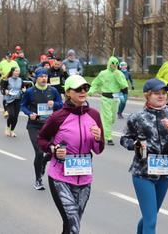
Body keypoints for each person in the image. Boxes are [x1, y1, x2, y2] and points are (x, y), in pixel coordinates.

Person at [37, 75, 104, 234]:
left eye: (85, 88)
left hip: (84, 179)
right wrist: (53, 149)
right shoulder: (59, 116)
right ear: (68, 92)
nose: (83, 92)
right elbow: (42, 138)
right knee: (73, 222)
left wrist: (97, 137)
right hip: (61, 178)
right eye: (78, 89)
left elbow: (98, 149)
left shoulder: (94, 115)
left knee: (71, 225)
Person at [120, 78, 168, 234]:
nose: (161, 96)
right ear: (147, 95)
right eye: (156, 93)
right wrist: (136, 145)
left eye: (164, 93)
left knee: (149, 217)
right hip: (143, 173)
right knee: (151, 221)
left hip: (165, 172)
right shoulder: (137, 117)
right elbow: (125, 138)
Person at [21, 68, 63, 190]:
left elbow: (61, 104)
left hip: (50, 125)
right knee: (39, 152)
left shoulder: (53, 90)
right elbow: (23, 106)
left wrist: (54, 104)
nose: (44, 78)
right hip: (34, 125)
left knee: (54, 151)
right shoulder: (30, 91)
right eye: (41, 76)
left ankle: (45, 161)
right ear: (37, 78)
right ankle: (38, 179)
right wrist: (29, 114)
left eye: (45, 76)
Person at [87, 56, 128, 145]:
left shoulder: (119, 74)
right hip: (105, 98)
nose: (115, 66)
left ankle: (102, 127)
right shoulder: (103, 73)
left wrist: (118, 77)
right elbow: (96, 83)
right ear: (109, 64)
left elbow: (124, 86)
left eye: (116, 64)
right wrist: (91, 91)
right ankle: (108, 138)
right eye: (113, 64)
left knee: (112, 119)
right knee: (108, 118)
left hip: (115, 99)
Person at [2, 67, 24, 137]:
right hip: (9, 100)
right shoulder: (8, 80)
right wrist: (5, 91)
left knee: (16, 117)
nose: (18, 72)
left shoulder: (20, 80)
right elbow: (2, 88)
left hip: (18, 99)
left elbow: (23, 88)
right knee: (11, 115)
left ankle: (12, 131)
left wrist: (24, 90)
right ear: (12, 72)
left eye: (18, 71)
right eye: (16, 71)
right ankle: (8, 127)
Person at [0, 52, 20, 118]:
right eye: (8, 56)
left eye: (10, 56)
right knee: (5, 95)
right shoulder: (2, 62)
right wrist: (2, 73)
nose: (9, 58)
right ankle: (6, 110)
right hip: (4, 80)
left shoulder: (14, 63)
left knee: (11, 95)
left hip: (13, 80)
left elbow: (18, 69)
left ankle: (11, 109)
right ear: (6, 56)